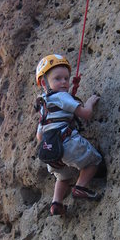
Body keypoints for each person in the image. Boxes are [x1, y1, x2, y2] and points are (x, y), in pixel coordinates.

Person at [35, 54, 102, 217]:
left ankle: (56, 203)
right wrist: (91, 102)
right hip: (67, 143)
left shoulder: (43, 105)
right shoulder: (62, 96)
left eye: (66, 78)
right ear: (45, 83)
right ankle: (81, 187)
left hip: (50, 151)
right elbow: (85, 114)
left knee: (62, 177)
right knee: (94, 161)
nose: (64, 82)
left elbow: (39, 136)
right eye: (58, 79)